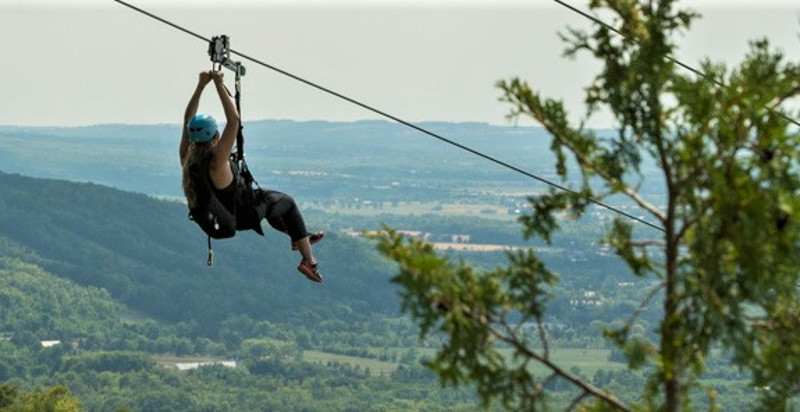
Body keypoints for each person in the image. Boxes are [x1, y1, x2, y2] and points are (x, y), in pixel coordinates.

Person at [179, 70, 324, 283]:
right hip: (245, 212)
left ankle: (299, 237)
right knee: (288, 203)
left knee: (275, 208)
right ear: (215, 137)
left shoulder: (187, 160)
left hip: (230, 215)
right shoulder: (217, 161)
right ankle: (308, 261)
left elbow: (187, 120)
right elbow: (233, 120)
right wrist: (219, 84)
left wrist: (201, 86)